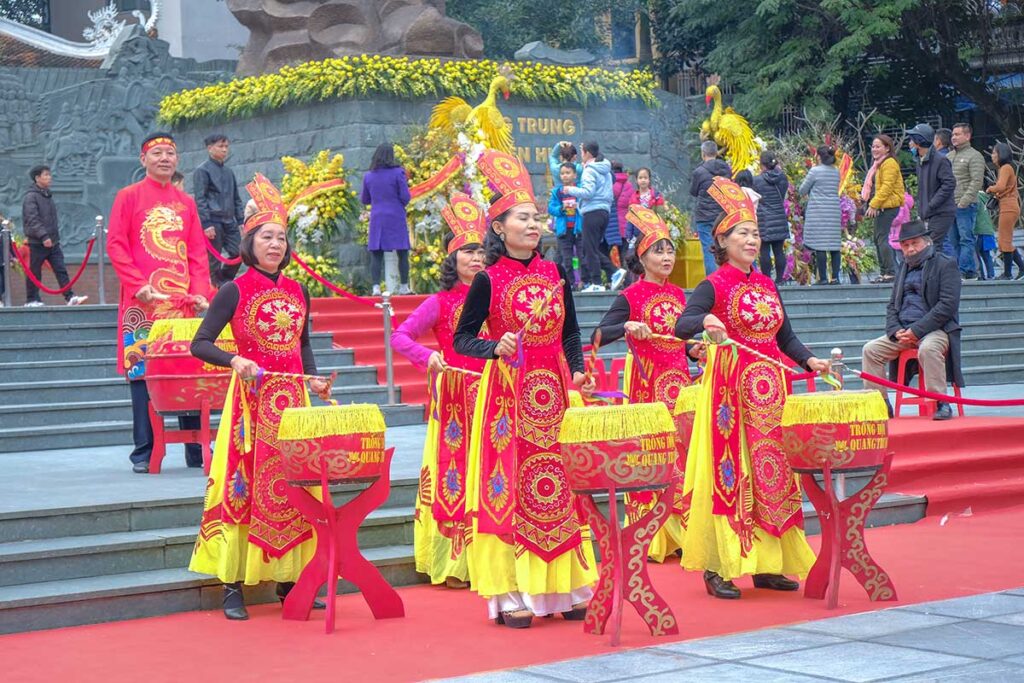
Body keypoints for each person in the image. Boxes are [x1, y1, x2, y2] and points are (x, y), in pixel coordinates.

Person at [454, 150, 597, 629]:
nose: (533, 224)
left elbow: (572, 332)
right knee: (512, 486)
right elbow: (462, 339)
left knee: (556, 486)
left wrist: (576, 370)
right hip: (508, 398)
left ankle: (564, 589)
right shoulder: (488, 281)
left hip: (553, 392)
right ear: (499, 228)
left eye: (536, 217)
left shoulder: (555, 274)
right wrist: (495, 346)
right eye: (523, 217)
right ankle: (510, 592)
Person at [673, 176, 830, 599]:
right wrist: (706, 322)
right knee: (731, 475)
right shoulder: (713, 285)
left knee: (773, 475)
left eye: (756, 233)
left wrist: (808, 360)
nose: (751, 239)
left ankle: (767, 564)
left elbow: (785, 337)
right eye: (742, 233)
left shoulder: (766, 284)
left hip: (773, 393)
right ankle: (719, 565)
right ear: (722, 240)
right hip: (730, 396)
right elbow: (682, 324)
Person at [189, 173, 331, 620]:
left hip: (293, 404)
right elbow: (201, 342)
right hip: (250, 404)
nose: (276, 245)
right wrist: (234, 361)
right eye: (267, 237)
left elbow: (302, 343)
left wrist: (314, 379)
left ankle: (291, 582)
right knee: (243, 485)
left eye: (282, 238)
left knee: (295, 484)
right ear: (249, 243)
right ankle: (232, 585)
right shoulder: (234, 289)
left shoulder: (297, 289)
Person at [391, 192, 487, 588]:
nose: (476, 259)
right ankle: (455, 562)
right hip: (455, 396)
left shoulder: (494, 295)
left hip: (495, 391)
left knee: (492, 473)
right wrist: (426, 356)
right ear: (453, 259)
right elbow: (400, 336)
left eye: (481, 252)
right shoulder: (441, 301)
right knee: (458, 472)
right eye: (468, 252)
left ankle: (492, 555)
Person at [593, 204, 697, 562]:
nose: (667, 256)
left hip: (680, 386)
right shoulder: (630, 297)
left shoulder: (682, 296)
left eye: (670, 249)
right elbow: (597, 335)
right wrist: (625, 327)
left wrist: (698, 348)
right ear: (642, 255)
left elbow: (689, 345)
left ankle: (684, 531)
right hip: (647, 387)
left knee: (683, 453)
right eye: (658, 250)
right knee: (652, 453)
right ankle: (653, 533)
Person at [107, 133, 213, 474]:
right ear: (144, 159)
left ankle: (196, 447)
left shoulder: (186, 203)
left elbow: (197, 252)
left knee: (188, 368)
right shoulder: (128, 197)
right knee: (142, 372)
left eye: (170, 153)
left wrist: (200, 291)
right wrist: (138, 286)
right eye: (157, 153)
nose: (164, 158)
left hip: (182, 304)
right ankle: (144, 449)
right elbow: (116, 245)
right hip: (144, 302)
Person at [861, 220, 964, 421]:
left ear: (926, 242)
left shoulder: (945, 264)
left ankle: (940, 402)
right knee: (870, 350)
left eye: (914, 243)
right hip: (904, 331)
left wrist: (917, 329)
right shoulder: (903, 268)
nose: (910, 249)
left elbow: (947, 305)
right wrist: (895, 329)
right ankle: (880, 404)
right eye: (905, 245)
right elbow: (892, 306)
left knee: (928, 349)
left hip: (937, 330)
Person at [21, 165, 87, 307]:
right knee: (34, 271)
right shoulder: (31, 197)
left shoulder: (47, 195)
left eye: (49, 174)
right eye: (46, 175)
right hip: (37, 242)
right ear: (37, 178)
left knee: (60, 269)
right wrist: (44, 236)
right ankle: (32, 300)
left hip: (53, 242)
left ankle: (70, 297)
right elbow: (32, 219)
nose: (49, 177)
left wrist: (52, 238)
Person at [563, 141, 615, 292]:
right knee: (589, 248)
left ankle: (597, 283)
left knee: (589, 249)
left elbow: (588, 192)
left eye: (581, 151)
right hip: (604, 211)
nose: (580, 155)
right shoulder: (605, 169)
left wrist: (570, 190)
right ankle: (613, 272)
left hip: (592, 211)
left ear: (587, 153)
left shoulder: (589, 170)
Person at [193, 134, 245, 287]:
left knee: (240, 253)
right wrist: (206, 223)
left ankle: (224, 280)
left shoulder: (229, 172)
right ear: (210, 148)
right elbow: (200, 199)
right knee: (213, 259)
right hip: (213, 221)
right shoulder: (202, 171)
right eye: (220, 146)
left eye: (226, 147)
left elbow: (236, 197)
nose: (224, 150)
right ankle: (215, 287)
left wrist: (241, 220)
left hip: (230, 220)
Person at [361, 143, 412, 296]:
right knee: (402, 252)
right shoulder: (398, 173)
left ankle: (376, 287)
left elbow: (365, 199)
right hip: (396, 215)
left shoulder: (369, 176)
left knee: (376, 252)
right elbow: (405, 197)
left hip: (378, 217)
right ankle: (404, 286)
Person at [907, 123, 956, 257]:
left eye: (912, 140)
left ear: (918, 142)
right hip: (929, 212)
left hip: (941, 211)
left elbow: (949, 184)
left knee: (933, 245)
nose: (910, 143)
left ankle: (945, 274)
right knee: (930, 247)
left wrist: (932, 204)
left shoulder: (940, 160)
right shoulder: (920, 160)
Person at [862, 135, 905, 283]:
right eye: (873, 146)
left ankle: (890, 272)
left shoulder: (889, 163)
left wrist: (874, 204)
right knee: (878, 238)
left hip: (889, 205)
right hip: (883, 205)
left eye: (878, 146)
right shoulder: (879, 164)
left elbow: (887, 187)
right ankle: (885, 271)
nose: (874, 149)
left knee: (882, 238)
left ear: (887, 148)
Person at [800, 145, 842, 285]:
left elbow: (802, 190)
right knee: (834, 244)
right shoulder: (836, 171)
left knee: (820, 244)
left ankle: (823, 278)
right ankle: (835, 278)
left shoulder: (815, 171)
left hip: (818, 210)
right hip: (833, 210)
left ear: (818, 156)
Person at [948, 123, 985, 280]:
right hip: (949, 205)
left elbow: (976, 181)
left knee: (966, 239)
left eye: (957, 134)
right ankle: (966, 271)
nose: (954, 137)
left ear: (967, 136)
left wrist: (963, 201)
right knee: (953, 240)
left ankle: (963, 270)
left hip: (966, 205)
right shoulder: (948, 156)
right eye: (953, 134)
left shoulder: (974, 155)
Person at [690, 141, 732, 275]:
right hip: (722, 214)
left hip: (704, 215)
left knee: (709, 250)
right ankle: (727, 279)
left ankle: (713, 281)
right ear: (716, 152)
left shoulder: (699, 172)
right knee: (724, 248)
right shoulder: (726, 169)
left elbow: (693, 191)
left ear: (703, 154)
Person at [987, 142, 1024, 279]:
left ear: (1001, 154)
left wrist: (990, 189)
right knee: (1004, 240)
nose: (992, 156)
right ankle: (1020, 269)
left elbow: (1001, 187)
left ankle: (1008, 273)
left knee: (1005, 240)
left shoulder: (1005, 168)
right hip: (1008, 206)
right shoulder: (1006, 168)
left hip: (1009, 207)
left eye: (994, 153)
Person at [753, 151, 790, 285]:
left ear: (761, 164)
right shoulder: (783, 178)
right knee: (779, 250)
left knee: (764, 251)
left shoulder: (757, 180)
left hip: (764, 218)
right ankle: (780, 279)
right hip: (779, 216)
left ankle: (767, 279)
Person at [548, 162, 581, 287]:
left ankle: (584, 281)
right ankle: (570, 284)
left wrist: (578, 206)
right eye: (562, 173)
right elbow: (551, 208)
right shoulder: (558, 192)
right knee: (567, 259)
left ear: (574, 175)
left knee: (581, 258)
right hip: (564, 229)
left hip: (578, 228)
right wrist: (561, 209)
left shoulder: (580, 189)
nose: (565, 176)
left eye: (568, 173)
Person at [973, 189, 998, 280]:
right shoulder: (985, 198)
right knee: (986, 255)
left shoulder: (974, 197)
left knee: (976, 255)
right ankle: (991, 275)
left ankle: (981, 276)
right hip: (988, 230)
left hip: (978, 230)